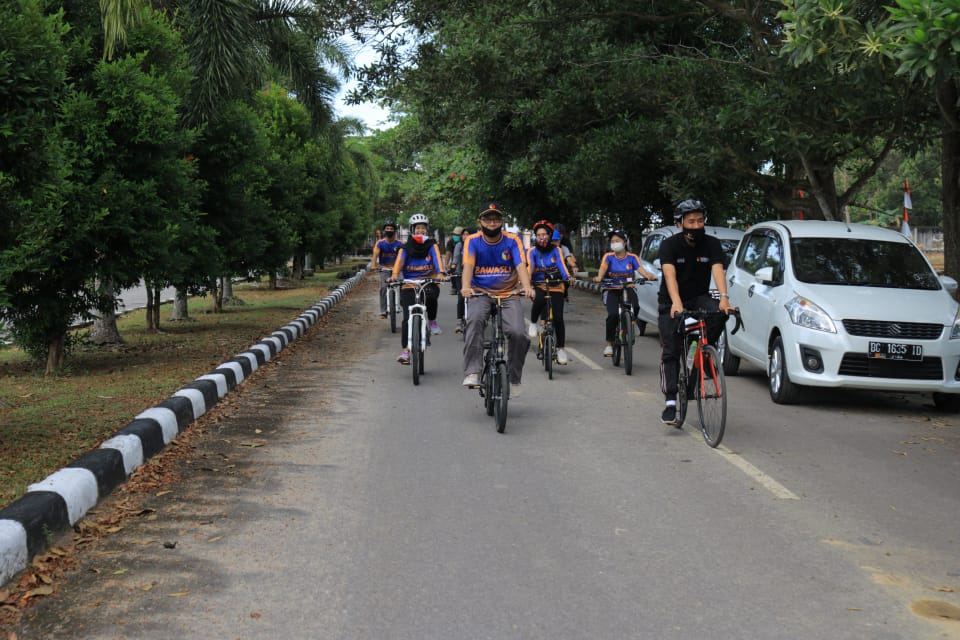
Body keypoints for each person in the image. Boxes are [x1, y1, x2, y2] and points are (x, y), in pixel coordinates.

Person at [657, 199, 733, 425]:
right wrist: (676, 303)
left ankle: (705, 354)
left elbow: (718, 270)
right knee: (671, 350)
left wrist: (724, 299)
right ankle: (671, 402)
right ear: (680, 223)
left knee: (721, 313)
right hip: (670, 301)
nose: (696, 225)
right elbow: (669, 276)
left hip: (699, 298)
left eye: (700, 220)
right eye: (691, 221)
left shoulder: (712, 244)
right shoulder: (669, 245)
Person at [460, 203, 534, 389]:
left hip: (509, 293)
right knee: (474, 322)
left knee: (519, 333)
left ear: (502, 222)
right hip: (480, 293)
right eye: (488, 219)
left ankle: (514, 379)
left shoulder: (512, 240)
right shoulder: (473, 241)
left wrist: (526, 287)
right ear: (480, 222)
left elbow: (520, 266)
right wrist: (465, 287)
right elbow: (468, 265)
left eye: (496, 219)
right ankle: (473, 371)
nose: (492, 223)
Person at [390, 213, 445, 364]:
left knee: (432, 296)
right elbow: (399, 262)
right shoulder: (405, 247)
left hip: (428, 282)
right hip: (409, 284)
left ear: (427, 230)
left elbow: (437, 260)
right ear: (412, 229)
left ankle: (432, 321)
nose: (421, 231)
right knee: (408, 318)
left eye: (423, 228)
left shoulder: (432, 245)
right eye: (418, 228)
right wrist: (394, 275)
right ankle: (406, 351)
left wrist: (440, 273)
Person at [594, 229, 655, 356]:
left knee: (636, 306)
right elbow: (603, 269)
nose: (614, 243)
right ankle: (609, 345)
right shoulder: (608, 257)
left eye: (617, 241)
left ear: (625, 242)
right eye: (612, 241)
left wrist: (648, 275)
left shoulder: (632, 257)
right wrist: (599, 277)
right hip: (612, 289)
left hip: (628, 288)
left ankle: (630, 324)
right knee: (612, 315)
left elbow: (641, 269)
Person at [527, 220, 572, 365]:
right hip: (539, 285)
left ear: (550, 235)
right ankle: (533, 322)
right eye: (538, 234)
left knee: (558, 318)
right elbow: (530, 269)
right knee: (539, 300)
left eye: (544, 234)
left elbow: (562, 265)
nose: (541, 237)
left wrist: (568, 277)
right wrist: (527, 284)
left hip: (556, 286)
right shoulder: (532, 251)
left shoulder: (556, 250)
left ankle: (561, 349)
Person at [370, 220, 403, 318]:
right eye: (387, 229)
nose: (389, 230)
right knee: (383, 287)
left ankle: (403, 304)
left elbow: (405, 255)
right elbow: (375, 255)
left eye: (391, 229)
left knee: (403, 285)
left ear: (395, 231)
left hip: (398, 269)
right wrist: (373, 266)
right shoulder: (380, 243)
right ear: (384, 230)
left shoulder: (400, 243)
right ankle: (383, 311)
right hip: (384, 268)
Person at [451, 226, 474, 334]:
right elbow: (455, 257)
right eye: (464, 234)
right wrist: (453, 266)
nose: (465, 236)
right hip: (460, 274)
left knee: (475, 298)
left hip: (475, 276)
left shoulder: (475, 245)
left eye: (468, 234)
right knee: (461, 298)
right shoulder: (459, 245)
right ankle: (459, 320)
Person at [447, 225, 464, 296]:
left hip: (464, 261)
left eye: (457, 235)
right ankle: (454, 287)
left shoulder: (465, 242)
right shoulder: (450, 242)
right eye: (454, 235)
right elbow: (448, 253)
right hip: (455, 261)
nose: (455, 236)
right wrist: (446, 264)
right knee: (453, 273)